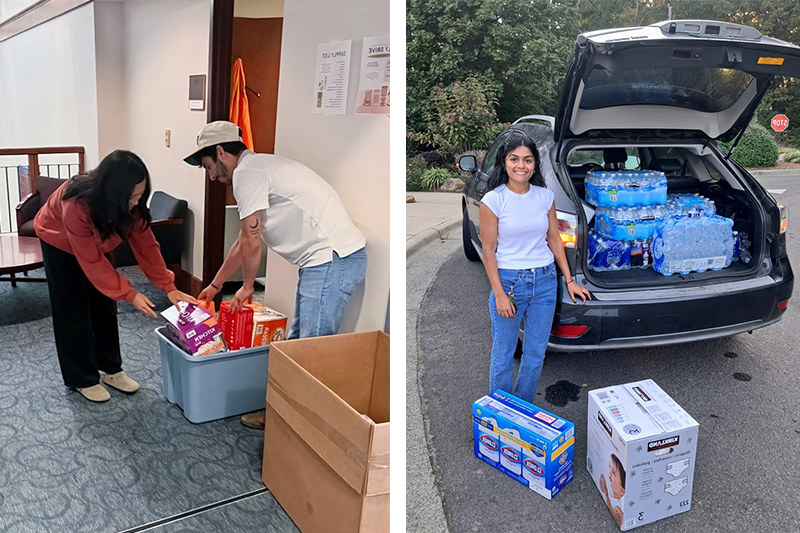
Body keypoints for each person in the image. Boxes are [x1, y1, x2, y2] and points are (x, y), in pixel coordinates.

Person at [184, 121, 367, 429]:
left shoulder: (247, 174)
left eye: (208, 167)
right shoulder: (260, 168)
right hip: (324, 262)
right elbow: (244, 240)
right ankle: (282, 417)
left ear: (220, 152)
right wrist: (215, 285)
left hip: (332, 260)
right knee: (296, 346)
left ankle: (299, 432)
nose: (212, 176)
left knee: (309, 354)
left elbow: (253, 241)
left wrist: (245, 287)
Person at [34, 150, 199, 403]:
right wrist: (129, 293)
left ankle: (111, 368)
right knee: (73, 309)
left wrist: (168, 287)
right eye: (131, 196)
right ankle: (82, 378)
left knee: (104, 304)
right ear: (113, 192)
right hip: (59, 240)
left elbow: (146, 244)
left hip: (96, 242)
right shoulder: (76, 204)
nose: (136, 201)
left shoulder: (129, 205)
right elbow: (90, 260)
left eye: (140, 195)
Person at [479, 130, 591, 404]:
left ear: (534, 165)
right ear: (504, 162)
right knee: (504, 353)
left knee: (535, 352)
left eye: (528, 160)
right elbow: (488, 252)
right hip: (509, 283)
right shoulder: (493, 200)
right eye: (515, 159)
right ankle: (500, 412)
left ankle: (523, 408)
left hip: (544, 281)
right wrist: (500, 294)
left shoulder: (544, 197)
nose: (521, 166)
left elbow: (554, 240)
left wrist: (570, 279)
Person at [599, 453, 626, 528]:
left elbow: (620, 522)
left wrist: (606, 494)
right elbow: (602, 489)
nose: (609, 472)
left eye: (613, 472)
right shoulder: (612, 487)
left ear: (622, 491)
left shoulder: (618, 507)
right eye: (609, 467)